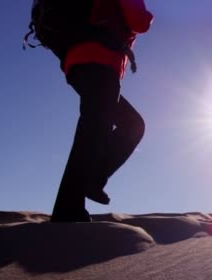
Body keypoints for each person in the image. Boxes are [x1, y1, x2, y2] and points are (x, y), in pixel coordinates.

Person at [47, 0, 154, 222]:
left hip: (77, 62)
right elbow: (139, 21)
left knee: (124, 125)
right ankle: (69, 209)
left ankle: (89, 183)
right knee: (95, 129)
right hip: (100, 58)